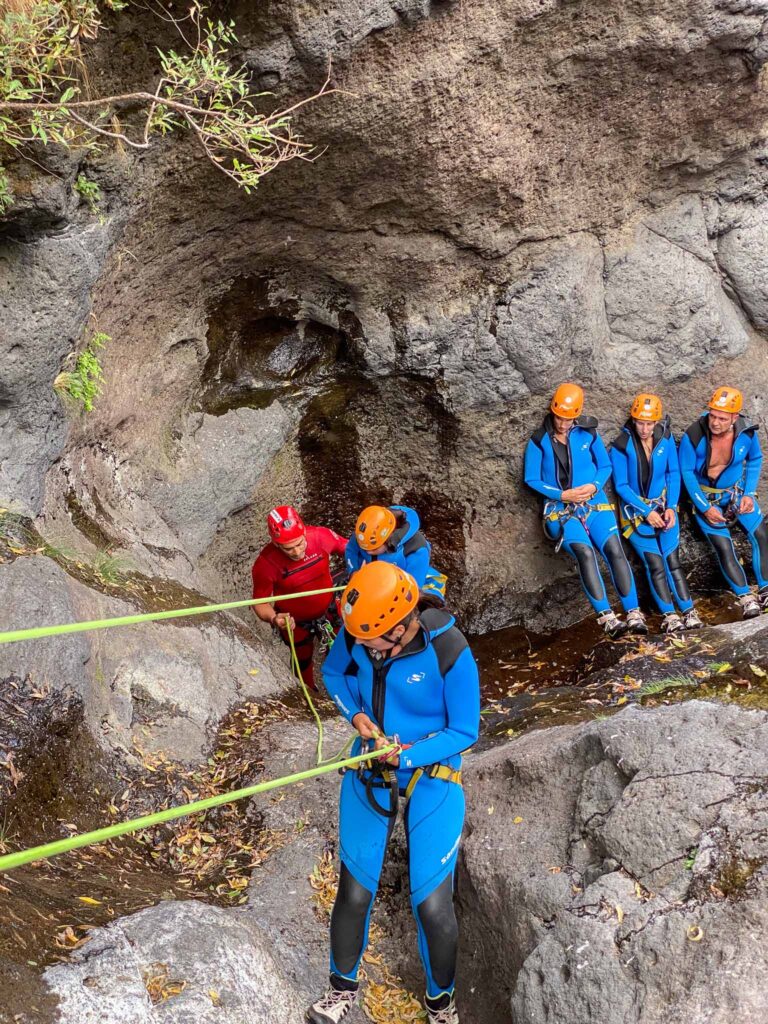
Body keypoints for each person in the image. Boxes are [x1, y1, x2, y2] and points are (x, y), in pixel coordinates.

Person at [306, 560, 480, 1024]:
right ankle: (340, 990)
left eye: (372, 643)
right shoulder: (360, 631)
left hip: (432, 772)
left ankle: (441, 1004)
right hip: (370, 766)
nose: (363, 649)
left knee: (433, 904)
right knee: (354, 891)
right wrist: (357, 717)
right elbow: (334, 675)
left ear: (402, 628)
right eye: (358, 641)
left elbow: (465, 729)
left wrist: (405, 756)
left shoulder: (449, 649)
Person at [523, 382, 647, 638]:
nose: (563, 424)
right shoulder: (539, 441)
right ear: (552, 411)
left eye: (569, 419)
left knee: (614, 548)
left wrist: (593, 486)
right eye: (559, 417)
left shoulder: (588, 433)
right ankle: (608, 619)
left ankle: (634, 613)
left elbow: (605, 466)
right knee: (585, 553)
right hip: (561, 510)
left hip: (594, 502)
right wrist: (562, 494)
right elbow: (531, 479)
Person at [610, 394, 703, 632]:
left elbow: (673, 473)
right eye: (640, 422)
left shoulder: (666, 438)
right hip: (636, 514)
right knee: (655, 564)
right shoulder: (622, 445)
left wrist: (671, 506)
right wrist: (647, 511)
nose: (644, 428)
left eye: (649, 423)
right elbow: (622, 485)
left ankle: (689, 611)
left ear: (656, 422)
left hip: (664, 508)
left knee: (673, 561)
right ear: (633, 419)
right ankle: (670, 616)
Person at [679, 386, 768, 618]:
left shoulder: (746, 433)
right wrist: (705, 508)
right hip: (707, 499)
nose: (715, 422)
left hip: (737, 494)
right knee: (724, 547)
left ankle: (766, 589)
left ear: (734, 418)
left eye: (722, 418)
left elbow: (755, 459)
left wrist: (749, 493)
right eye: (712, 415)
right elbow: (686, 472)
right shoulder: (694, 435)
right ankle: (746, 597)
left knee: (761, 535)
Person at [251, 505, 347, 690]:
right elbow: (260, 601)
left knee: (343, 648)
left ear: (304, 532)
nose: (297, 552)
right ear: (276, 544)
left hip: (329, 609)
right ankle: (310, 695)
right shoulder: (266, 564)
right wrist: (273, 618)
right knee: (302, 661)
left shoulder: (320, 537)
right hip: (295, 623)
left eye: (299, 543)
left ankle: (344, 686)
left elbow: (349, 548)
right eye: (289, 548)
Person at [345, 504, 447, 604]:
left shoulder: (417, 550)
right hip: (376, 577)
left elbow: (411, 590)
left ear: (387, 541)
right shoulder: (367, 532)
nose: (368, 552)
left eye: (374, 548)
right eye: (364, 547)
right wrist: (354, 572)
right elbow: (351, 550)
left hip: (405, 581)